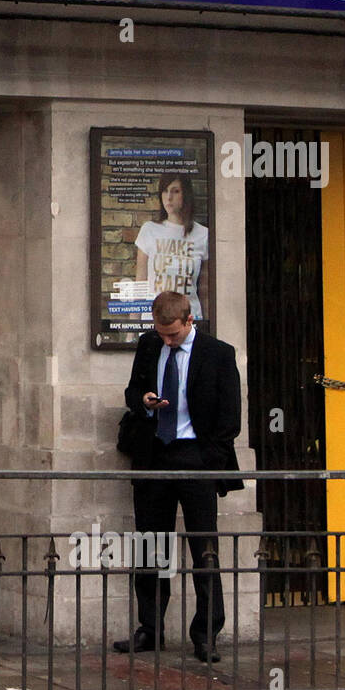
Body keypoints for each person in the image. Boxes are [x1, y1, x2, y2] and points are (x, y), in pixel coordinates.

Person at [115, 290, 243, 663]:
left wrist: (208, 459)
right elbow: (132, 390)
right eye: (161, 333)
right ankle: (151, 629)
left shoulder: (219, 354)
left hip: (195, 455)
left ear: (190, 321)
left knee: (203, 546)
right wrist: (144, 401)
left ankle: (206, 633)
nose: (167, 341)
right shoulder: (150, 345)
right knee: (151, 543)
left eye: (172, 335)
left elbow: (229, 417)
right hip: (155, 452)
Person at [135, 173, 210, 321]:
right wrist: (132, 331)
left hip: (189, 322)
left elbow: (205, 291)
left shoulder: (203, 234)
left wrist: (207, 328)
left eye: (175, 191)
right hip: (154, 322)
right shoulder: (149, 230)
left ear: (185, 195)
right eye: (165, 191)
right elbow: (140, 285)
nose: (168, 197)